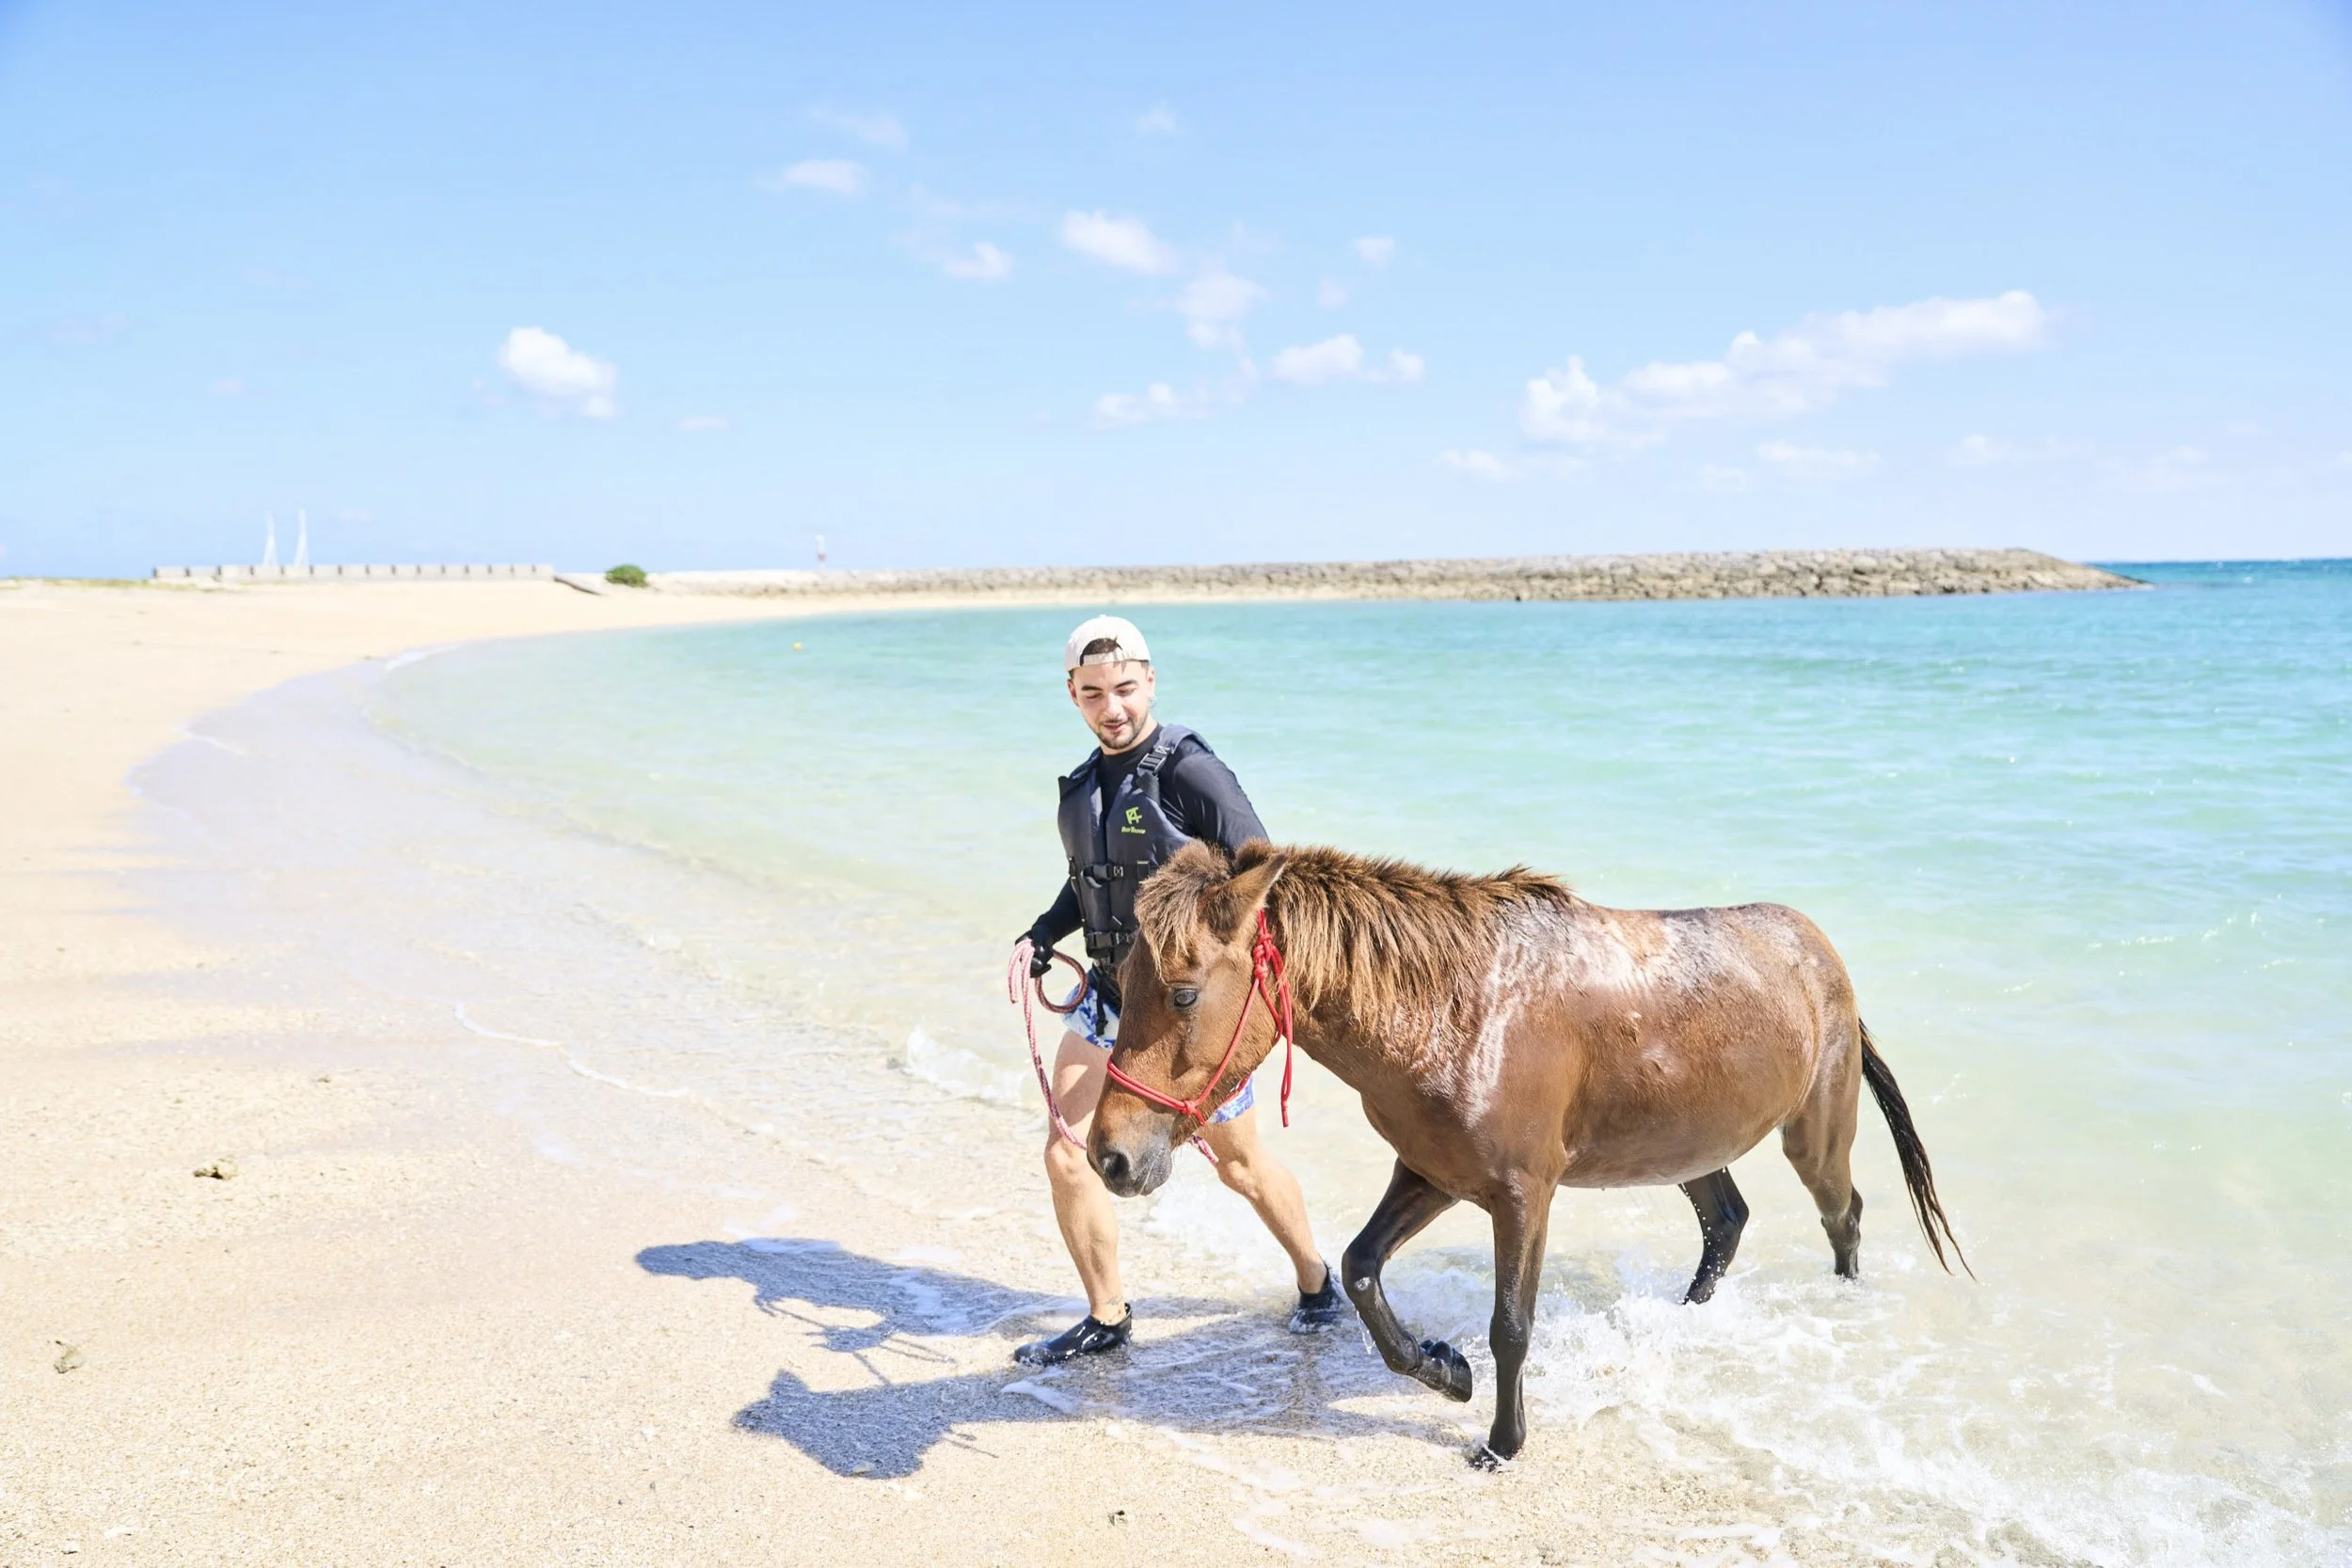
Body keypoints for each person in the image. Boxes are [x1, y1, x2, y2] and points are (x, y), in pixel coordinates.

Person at [1011, 614, 1343, 1366]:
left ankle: (1319, 1284)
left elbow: (1263, 868)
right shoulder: (1086, 786)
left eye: (1125, 688)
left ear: (1150, 681)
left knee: (1239, 1165)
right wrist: (1042, 931)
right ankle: (1107, 1314)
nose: (1112, 706)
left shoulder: (1187, 770)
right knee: (1069, 1151)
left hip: (1179, 1016)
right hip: (1106, 999)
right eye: (1093, 692)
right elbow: (1088, 885)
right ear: (1072, 694)